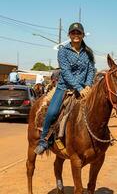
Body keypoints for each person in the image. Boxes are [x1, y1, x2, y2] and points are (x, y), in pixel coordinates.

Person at [34, 22, 96, 155]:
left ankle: (99, 138)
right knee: (52, 112)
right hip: (64, 88)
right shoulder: (63, 51)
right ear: (69, 35)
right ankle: (44, 141)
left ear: (83, 35)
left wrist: (89, 85)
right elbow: (66, 72)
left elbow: (91, 70)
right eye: (73, 33)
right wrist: (79, 88)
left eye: (78, 33)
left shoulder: (88, 52)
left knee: (97, 109)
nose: (76, 35)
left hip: (85, 89)